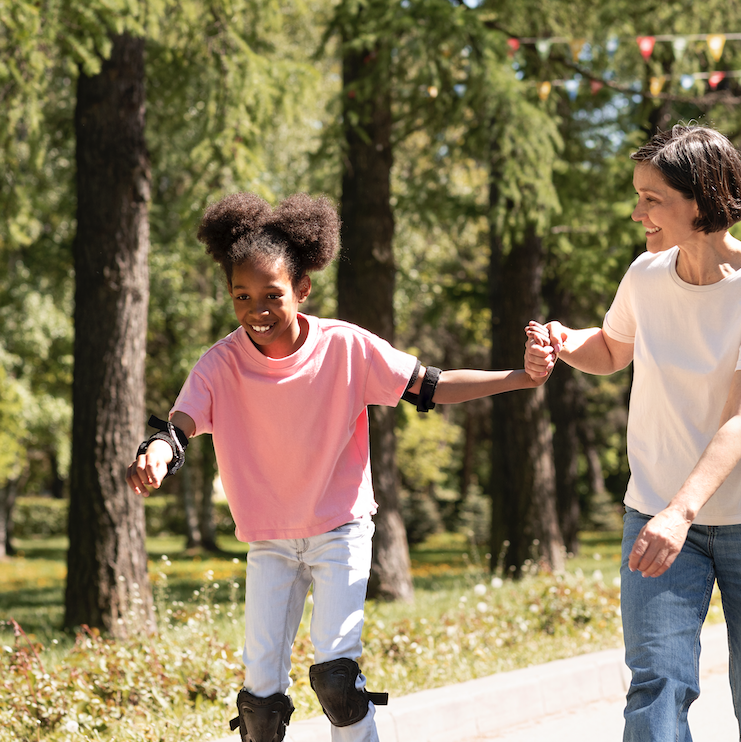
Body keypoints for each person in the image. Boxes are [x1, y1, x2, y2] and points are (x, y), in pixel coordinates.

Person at [126, 192, 556, 742]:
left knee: (336, 679)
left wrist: (518, 377)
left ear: (302, 290)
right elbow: (178, 426)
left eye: (271, 294)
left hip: (340, 530)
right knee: (259, 703)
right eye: (241, 296)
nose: (255, 309)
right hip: (271, 540)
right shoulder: (220, 364)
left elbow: (431, 384)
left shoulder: (346, 347)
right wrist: (158, 451)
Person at [525, 124, 741, 742]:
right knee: (656, 686)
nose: (637, 213)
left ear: (701, 200)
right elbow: (611, 348)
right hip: (657, 511)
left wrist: (683, 510)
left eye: (651, 198)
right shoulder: (646, 275)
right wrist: (563, 339)